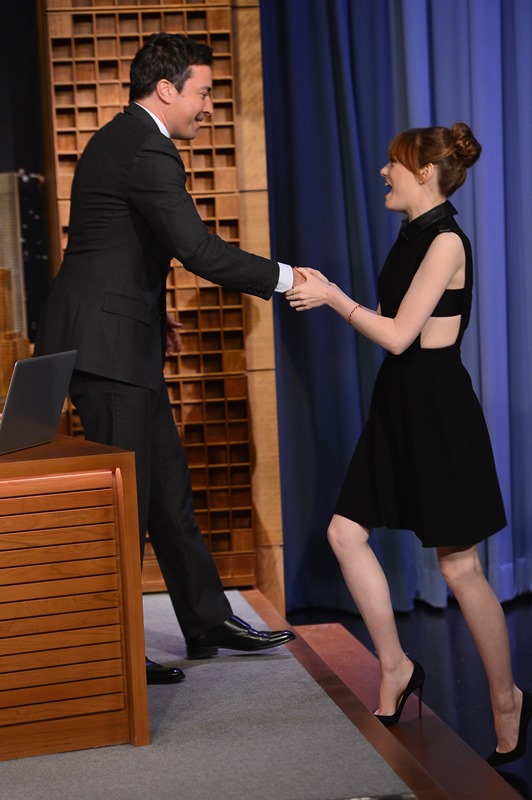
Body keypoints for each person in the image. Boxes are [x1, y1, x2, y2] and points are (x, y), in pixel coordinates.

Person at [34, 32, 299, 685]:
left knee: (167, 493)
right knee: (127, 506)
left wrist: (155, 313)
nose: (209, 106)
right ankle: (117, 652)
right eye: (204, 93)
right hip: (108, 350)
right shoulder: (147, 147)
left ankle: (207, 621)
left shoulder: (119, 136)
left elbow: (109, 248)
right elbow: (197, 250)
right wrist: (290, 279)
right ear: (166, 89)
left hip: (119, 338)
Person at [287, 122, 531, 767]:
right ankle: (395, 666)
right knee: (345, 533)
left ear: (424, 172)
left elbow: (399, 336)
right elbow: (396, 332)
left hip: (438, 411)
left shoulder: (446, 240)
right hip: (398, 402)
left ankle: (506, 699)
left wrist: (333, 296)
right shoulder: (414, 233)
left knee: (459, 567)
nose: (383, 172)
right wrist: (332, 291)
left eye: (393, 163)